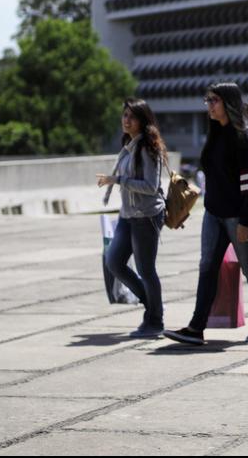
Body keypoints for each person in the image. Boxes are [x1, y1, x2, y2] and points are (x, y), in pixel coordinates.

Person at [164, 82, 248, 346]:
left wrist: (247, 221)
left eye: (214, 100)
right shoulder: (215, 131)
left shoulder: (247, 136)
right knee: (207, 267)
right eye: (207, 100)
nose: (209, 105)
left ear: (228, 102)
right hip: (213, 212)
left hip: (239, 215)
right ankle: (196, 328)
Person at [98, 98, 168, 338]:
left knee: (146, 269)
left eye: (132, 116)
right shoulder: (129, 145)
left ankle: (155, 320)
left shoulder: (149, 148)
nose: (126, 120)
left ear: (142, 121)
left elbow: (151, 186)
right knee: (114, 262)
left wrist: (117, 180)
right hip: (128, 215)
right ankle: (152, 305)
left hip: (146, 216)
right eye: (124, 115)